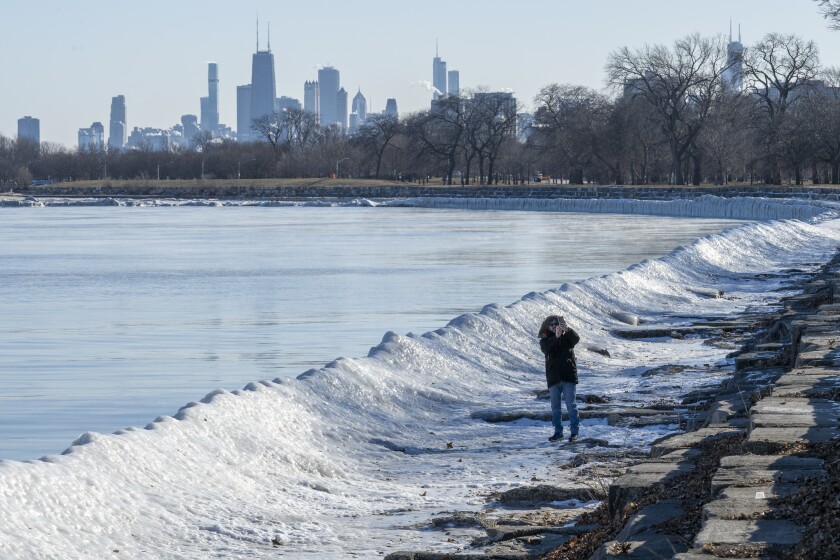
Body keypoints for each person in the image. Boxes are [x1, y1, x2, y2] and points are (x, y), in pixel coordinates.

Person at [538, 315, 581, 443]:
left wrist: (567, 330)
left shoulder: (567, 336)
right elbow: (546, 349)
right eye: (551, 324)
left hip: (568, 376)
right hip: (553, 378)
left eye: (556, 323)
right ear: (547, 326)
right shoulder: (545, 339)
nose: (554, 326)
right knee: (555, 408)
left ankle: (574, 433)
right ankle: (558, 432)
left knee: (571, 405)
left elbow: (576, 339)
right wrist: (556, 337)